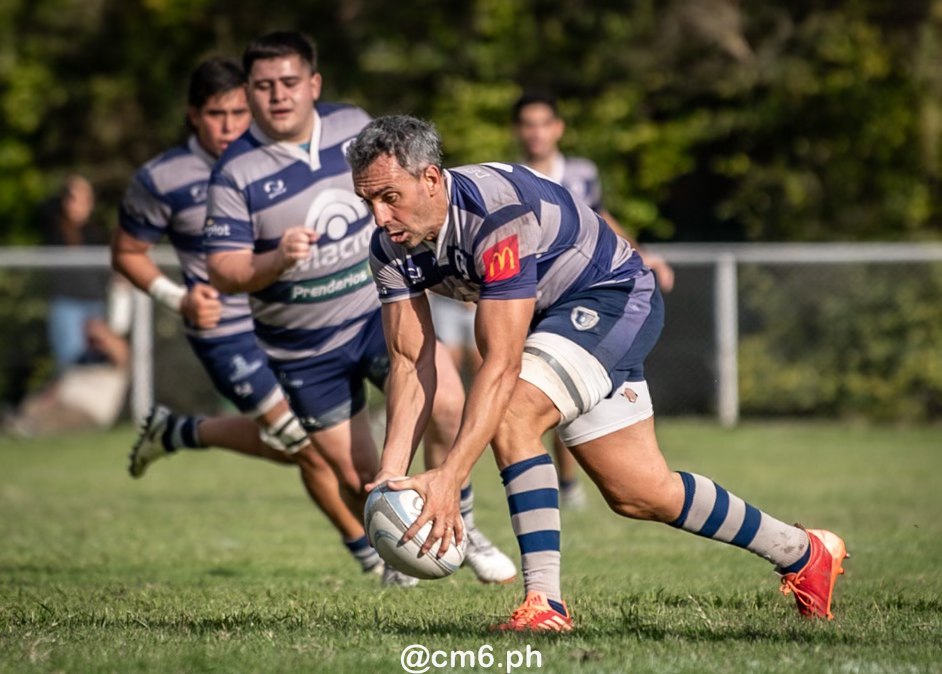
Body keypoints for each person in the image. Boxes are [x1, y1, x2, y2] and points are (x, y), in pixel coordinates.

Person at [346, 115, 848, 631]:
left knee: (513, 411)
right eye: (368, 202)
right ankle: (802, 552)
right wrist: (391, 474)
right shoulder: (390, 246)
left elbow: (501, 364)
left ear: (431, 178)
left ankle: (545, 604)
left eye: (389, 197)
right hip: (553, 322)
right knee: (641, 492)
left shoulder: (496, 216)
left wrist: (451, 477)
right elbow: (409, 360)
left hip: (610, 297)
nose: (379, 217)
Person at [202, 32, 515, 586]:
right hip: (304, 347)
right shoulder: (234, 171)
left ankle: (460, 524)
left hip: (376, 312)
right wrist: (275, 259)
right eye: (264, 85)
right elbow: (223, 270)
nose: (278, 95)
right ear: (248, 92)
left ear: (313, 84)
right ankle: (400, 551)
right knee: (360, 474)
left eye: (289, 82)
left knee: (448, 406)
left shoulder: (352, 127)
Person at [112, 58, 389, 582]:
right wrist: (178, 298)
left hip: (289, 321)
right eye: (216, 114)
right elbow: (126, 252)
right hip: (227, 332)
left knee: (307, 444)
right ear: (193, 115)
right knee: (306, 447)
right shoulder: (162, 178)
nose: (230, 125)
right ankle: (371, 556)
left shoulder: (271, 160)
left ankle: (182, 432)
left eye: (239, 112)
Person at [513, 92, 677, 509]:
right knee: (541, 394)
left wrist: (643, 254)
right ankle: (558, 482)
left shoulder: (581, 174)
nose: (536, 133)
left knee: (570, 391)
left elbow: (601, 219)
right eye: (528, 124)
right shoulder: (514, 179)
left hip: (590, 294)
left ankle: (578, 480)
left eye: (543, 123)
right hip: (538, 297)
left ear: (558, 128)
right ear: (519, 131)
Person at [40, 174, 111, 373]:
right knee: (70, 363)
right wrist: (70, 188)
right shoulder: (56, 227)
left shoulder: (96, 232)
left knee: (96, 364)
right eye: (73, 199)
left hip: (95, 305)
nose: (78, 205)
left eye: (85, 199)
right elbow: (42, 208)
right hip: (67, 304)